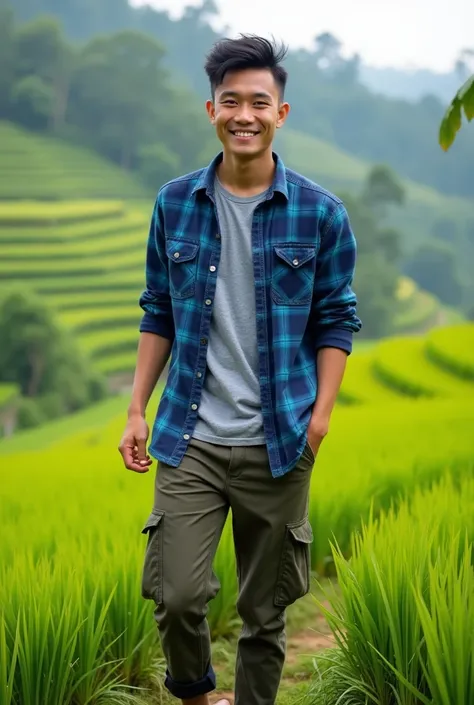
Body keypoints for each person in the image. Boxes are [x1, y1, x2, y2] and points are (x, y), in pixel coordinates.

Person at [118, 34, 361, 705]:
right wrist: (138, 407)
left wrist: (320, 416)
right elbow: (158, 308)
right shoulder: (175, 203)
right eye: (232, 102)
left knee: (267, 609)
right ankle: (197, 694)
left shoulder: (320, 212)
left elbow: (336, 318)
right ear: (211, 109)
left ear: (281, 114)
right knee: (177, 593)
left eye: (260, 102)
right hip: (189, 436)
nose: (245, 114)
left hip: (281, 439)